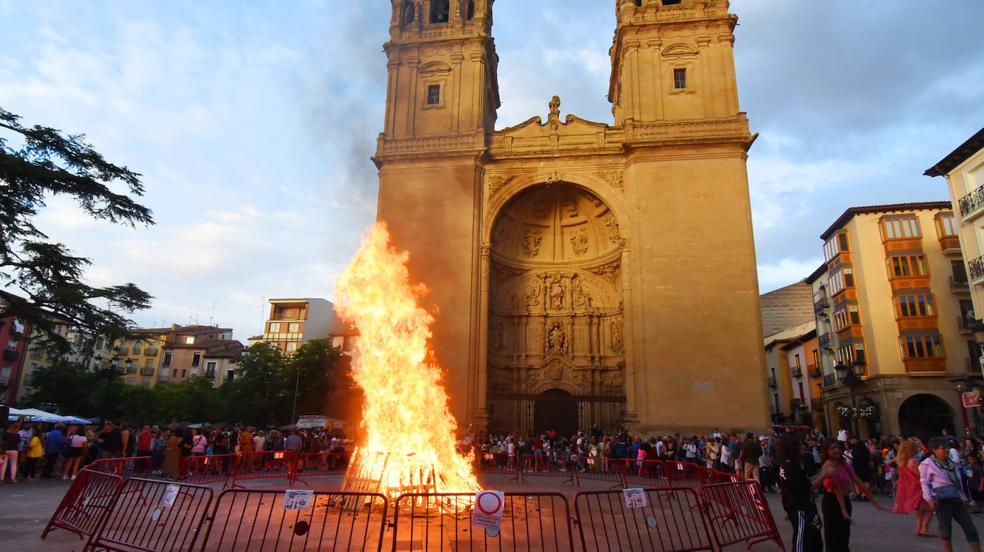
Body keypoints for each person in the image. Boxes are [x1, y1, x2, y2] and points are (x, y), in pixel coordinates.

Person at [820, 439, 888, 550]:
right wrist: (843, 509)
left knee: (844, 536)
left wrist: (874, 502)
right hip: (832, 502)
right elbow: (836, 488)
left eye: (838, 447)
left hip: (845, 500)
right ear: (827, 451)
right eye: (833, 448)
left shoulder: (843, 464)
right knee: (834, 537)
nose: (837, 450)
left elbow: (858, 481)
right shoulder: (828, 466)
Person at [919, 436, 981, 552]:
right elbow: (924, 482)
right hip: (942, 500)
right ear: (934, 450)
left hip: (957, 499)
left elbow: (958, 482)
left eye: (947, 448)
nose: (946, 450)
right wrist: (929, 499)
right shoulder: (927, 464)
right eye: (943, 448)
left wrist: (963, 497)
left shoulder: (952, 463)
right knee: (946, 531)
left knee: (970, 529)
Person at [778, 434, 830, 552]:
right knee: (802, 539)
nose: (803, 447)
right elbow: (808, 486)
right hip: (800, 507)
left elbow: (804, 481)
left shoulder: (789, 464)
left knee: (812, 536)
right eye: (800, 445)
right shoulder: (791, 466)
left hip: (799, 505)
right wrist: (824, 475)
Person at [894, 439, 934, 537]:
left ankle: (918, 527)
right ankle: (924, 528)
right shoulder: (914, 462)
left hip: (911, 488)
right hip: (919, 487)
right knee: (930, 509)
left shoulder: (902, 462)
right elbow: (920, 475)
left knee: (920, 510)